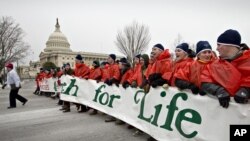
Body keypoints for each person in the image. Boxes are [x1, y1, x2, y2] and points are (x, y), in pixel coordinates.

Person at [201, 29, 250, 108]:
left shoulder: (248, 60)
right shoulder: (213, 65)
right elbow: (204, 81)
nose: (216, 49)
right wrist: (218, 90)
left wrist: (246, 90)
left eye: (219, 45)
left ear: (229, 45)